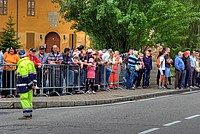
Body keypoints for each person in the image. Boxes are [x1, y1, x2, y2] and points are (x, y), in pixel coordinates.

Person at [16, 50, 37, 120]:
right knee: (29, 99)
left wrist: (30, 84)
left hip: (23, 85)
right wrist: (34, 84)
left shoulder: (22, 64)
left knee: (24, 99)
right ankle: (30, 114)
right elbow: (34, 74)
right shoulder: (30, 62)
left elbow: (24, 76)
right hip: (30, 85)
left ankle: (26, 115)